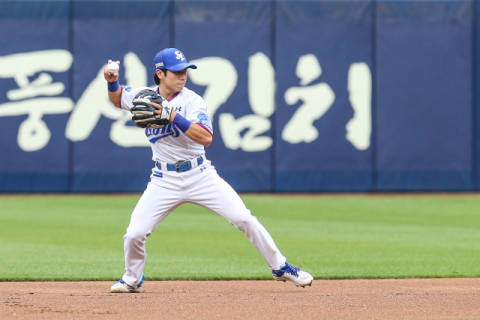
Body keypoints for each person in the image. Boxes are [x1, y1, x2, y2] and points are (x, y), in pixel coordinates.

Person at [104, 48, 313, 293]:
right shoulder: (145, 96)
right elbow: (119, 99)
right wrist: (112, 81)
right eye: (177, 72)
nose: (183, 76)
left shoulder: (193, 101)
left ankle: (281, 267)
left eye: (185, 71)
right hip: (164, 179)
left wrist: (173, 117)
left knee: (243, 218)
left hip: (199, 175)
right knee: (134, 234)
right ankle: (132, 279)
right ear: (160, 73)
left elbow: (206, 138)